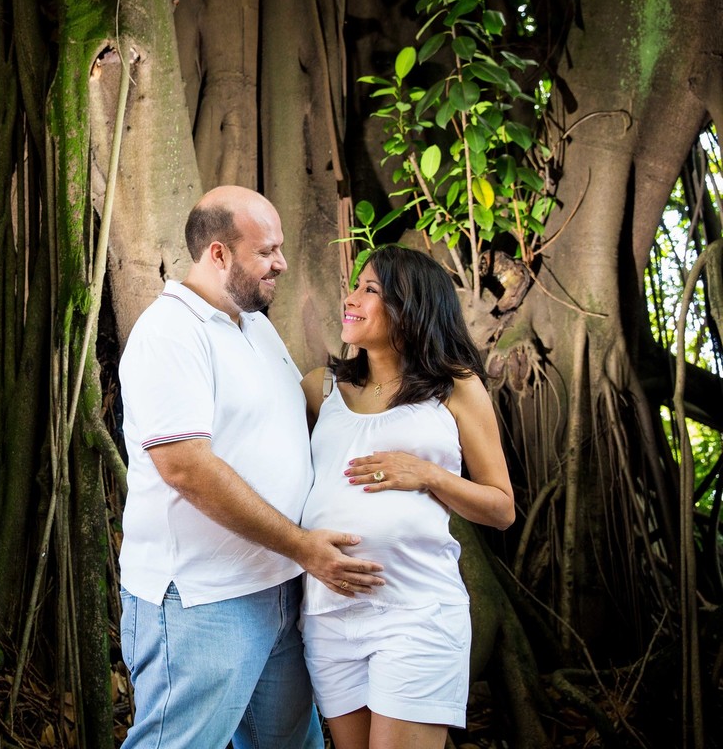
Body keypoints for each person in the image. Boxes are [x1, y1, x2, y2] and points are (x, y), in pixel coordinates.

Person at [117, 185, 385, 749]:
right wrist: (302, 545)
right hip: (201, 601)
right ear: (218, 254)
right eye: (267, 252)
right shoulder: (170, 333)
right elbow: (186, 468)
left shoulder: (255, 326)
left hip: (278, 588)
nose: (281, 264)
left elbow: (293, 419)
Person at [298, 244, 516, 749]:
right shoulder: (320, 388)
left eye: (370, 289)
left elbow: (501, 507)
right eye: (354, 286)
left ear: (410, 307)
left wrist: (427, 475)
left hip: (415, 611)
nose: (351, 299)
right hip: (329, 614)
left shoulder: (454, 389)